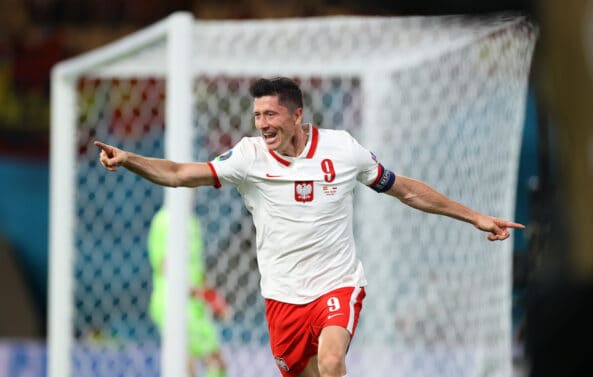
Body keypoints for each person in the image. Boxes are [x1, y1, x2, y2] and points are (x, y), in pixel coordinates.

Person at [95, 77, 525, 377]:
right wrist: (130, 159)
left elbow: (405, 190)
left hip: (337, 285)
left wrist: (474, 216)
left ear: (297, 114)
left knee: (334, 362)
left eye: (271, 114)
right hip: (282, 297)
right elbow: (177, 173)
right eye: (257, 115)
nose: (262, 124)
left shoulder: (342, 149)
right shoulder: (247, 157)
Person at [147, 206, 228, 377]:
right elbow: (164, 265)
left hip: (195, 304)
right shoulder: (163, 220)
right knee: (187, 363)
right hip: (172, 302)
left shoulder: (193, 221)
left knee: (217, 363)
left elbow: (197, 268)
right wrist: (197, 291)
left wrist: (210, 296)